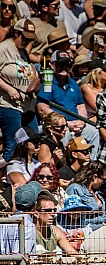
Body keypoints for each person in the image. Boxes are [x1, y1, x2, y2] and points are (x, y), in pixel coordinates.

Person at [36, 50, 101, 155]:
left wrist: (82, 121)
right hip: (58, 125)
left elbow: (80, 105)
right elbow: (42, 108)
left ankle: (91, 165)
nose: (63, 67)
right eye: (60, 64)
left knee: (93, 131)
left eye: (66, 64)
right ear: (52, 65)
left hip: (76, 124)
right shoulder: (48, 81)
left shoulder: (73, 83)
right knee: (63, 131)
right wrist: (65, 124)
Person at [0, 18, 40, 161]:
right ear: (16, 33)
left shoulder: (23, 52)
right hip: (9, 104)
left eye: (30, 39)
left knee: (33, 141)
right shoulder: (3, 49)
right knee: (14, 142)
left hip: (28, 105)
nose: (26, 41)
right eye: (24, 37)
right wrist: (9, 89)